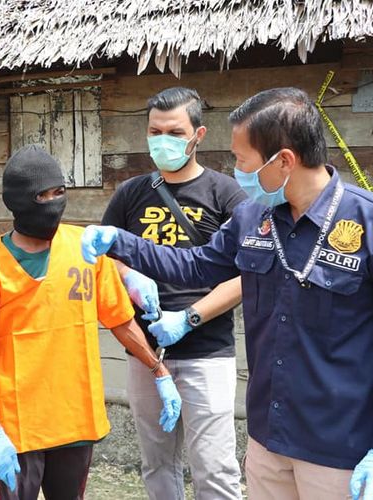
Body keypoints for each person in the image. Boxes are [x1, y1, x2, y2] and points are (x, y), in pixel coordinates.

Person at [81, 87, 373, 500]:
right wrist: (120, 243)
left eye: (242, 160)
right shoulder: (254, 217)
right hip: (268, 438)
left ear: (284, 160)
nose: (236, 170)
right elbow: (196, 265)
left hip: (342, 449)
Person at [0, 144, 182, 500]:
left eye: (60, 192)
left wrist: (158, 370)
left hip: (75, 418)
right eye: (43, 194)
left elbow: (119, 320)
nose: (55, 201)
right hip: (17, 428)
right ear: (19, 201)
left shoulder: (85, 248)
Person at [101, 87, 245, 499]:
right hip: (144, 354)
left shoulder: (226, 193)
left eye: (175, 132)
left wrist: (189, 317)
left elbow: (248, 275)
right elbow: (106, 255)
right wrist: (128, 275)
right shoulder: (130, 193)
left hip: (208, 353)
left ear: (198, 135)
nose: (163, 140)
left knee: (214, 468)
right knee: (158, 463)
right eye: (155, 131)